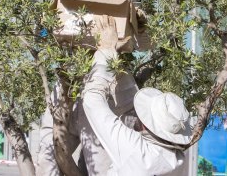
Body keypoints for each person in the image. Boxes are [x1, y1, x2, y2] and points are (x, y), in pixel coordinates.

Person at [82, 15, 192, 175]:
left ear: (145, 125)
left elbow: (92, 101)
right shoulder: (178, 159)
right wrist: (116, 60)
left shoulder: (136, 150)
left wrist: (106, 51)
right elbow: (130, 107)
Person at [36, 41, 139, 175]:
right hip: (70, 78)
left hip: (111, 87)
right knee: (46, 161)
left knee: (102, 169)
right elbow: (46, 30)